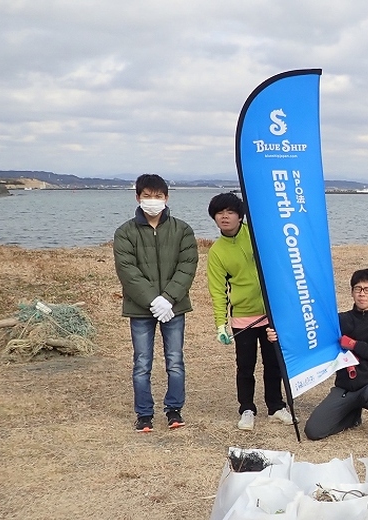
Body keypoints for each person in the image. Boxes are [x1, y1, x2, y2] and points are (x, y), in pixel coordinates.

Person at [113, 174, 198, 432]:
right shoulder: (125, 232)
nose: (153, 201)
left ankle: (174, 410)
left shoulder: (182, 229)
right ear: (138, 197)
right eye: (147, 196)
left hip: (174, 308)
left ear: (166, 198)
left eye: (158, 196)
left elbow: (187, 266)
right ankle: (144, 414)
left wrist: (169, 298)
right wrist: (154, 300)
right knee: (142, 362)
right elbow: (127, 271)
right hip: (140, 309)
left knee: (175, 359)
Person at [205, 192, 294, 431]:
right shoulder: (217, 252)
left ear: (240, 216)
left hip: (270, 313)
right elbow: (217, 291)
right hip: (242, 317)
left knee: (273, 362)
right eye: (219, 213)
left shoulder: (256, 234)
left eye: (230, 212)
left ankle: (275, 406)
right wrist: (220, 324)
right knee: (245, 366)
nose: (224, 217)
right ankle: (246, 408)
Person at [304, 269, 368, 440]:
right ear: (352, 292)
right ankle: (351, 416)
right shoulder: (340, 320)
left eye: (367, 290)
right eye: (358, 289)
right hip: (345, 387)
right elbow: (313, 339)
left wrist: (355, 345)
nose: (362, 294)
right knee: (313, 431)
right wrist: (277, 336)